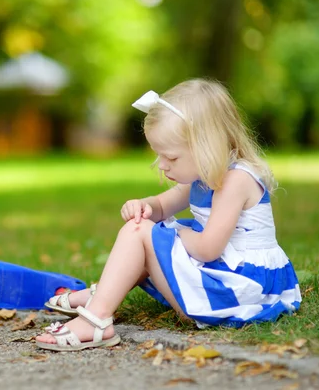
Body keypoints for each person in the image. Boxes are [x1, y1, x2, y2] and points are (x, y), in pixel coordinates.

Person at [36, 78, 302, 352]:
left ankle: (96, 318)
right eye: (159, 155)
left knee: (140, 232)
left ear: (207, 147)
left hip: (238, 290)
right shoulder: (203, 175)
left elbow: (208, 248)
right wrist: (145, 206)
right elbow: (162, 206)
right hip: (222, 279)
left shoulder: (235, 180)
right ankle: (104, 292)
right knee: (142, 227)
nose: (162, 166)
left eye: (171, 158)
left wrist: (170, 232)